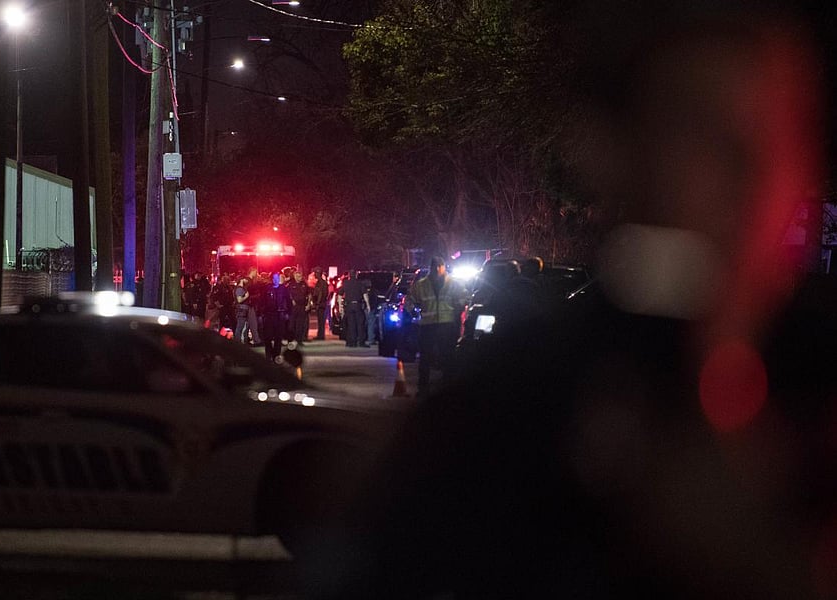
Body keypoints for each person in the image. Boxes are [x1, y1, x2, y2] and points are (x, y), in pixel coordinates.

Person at [303, 8, 831, 600]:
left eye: (780, 135)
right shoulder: (510, 411)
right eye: (701, 135)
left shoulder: (814, 378)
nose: (749, 174)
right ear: (613, 154)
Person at [405, 256, 468, 397]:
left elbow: (464, 298)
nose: (438, 269)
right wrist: (413, 313)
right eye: (436, 266)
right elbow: (410, 300)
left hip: (445, 325)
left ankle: (445, 387)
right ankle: (424, 388)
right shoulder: (422, 285)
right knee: (427, 358)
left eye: (439, 266)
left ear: (443, 267)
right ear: (432, 268)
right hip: (430, 325)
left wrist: (459, 309)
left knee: (447, 357)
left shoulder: (453, 283)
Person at [259, 272, 291, 361]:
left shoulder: (283, 289)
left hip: (280, 315)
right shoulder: (266, 288)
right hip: (269, 315)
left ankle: (276, 355)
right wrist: (261, 314)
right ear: (272, 279)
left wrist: (288, 313)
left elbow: (288, 301)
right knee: (268, 337)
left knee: (278, 337)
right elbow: (262, 301)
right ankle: (268, 355)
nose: (276, 280)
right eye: (274, 278)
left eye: (278, 278)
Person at [340, 270, 367, 347]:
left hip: (349, 306)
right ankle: (361, 342)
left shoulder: (345, 284)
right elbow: (365, 295)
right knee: (360, 324)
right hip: (358, 305)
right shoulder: (360, 283)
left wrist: (340, 306)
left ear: (349, 275)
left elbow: (339, 294)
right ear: (356, 275)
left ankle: (352, 342)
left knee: (351, 324)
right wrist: (368, 305)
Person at [287, 269, 310, 344]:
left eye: (300, 276)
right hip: (294, 307)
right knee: (292, 324)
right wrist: (291, 300)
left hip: (302, 306)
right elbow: (288, 295)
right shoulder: (291, 284)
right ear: (294, 276)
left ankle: (299, 340)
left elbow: (309, 294)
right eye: (297, 276)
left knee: (300, 324)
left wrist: (308, 304)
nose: (298, 278)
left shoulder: (304, 284)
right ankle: (290, 340)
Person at [311, 267, 330, 340]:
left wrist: (318, 303)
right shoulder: (321, 282)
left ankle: (321, 335)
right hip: (321, 303)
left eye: (315, 273)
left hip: (321, 303)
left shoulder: (321, 283)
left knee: (321, 320)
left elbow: (322, 293)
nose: (314, 274)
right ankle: (320, 335)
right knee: (320, 320)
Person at [234, 276, 251, 343]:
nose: (246, 281)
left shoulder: (240, 288)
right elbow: (239, 300)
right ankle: (237, 343)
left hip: (242, 309)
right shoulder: (239, 289)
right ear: (241, 279)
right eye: (245, 279)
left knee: (241, 327)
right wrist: (246, 296)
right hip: (241, 309)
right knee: (240, 327)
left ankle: (239, 341)